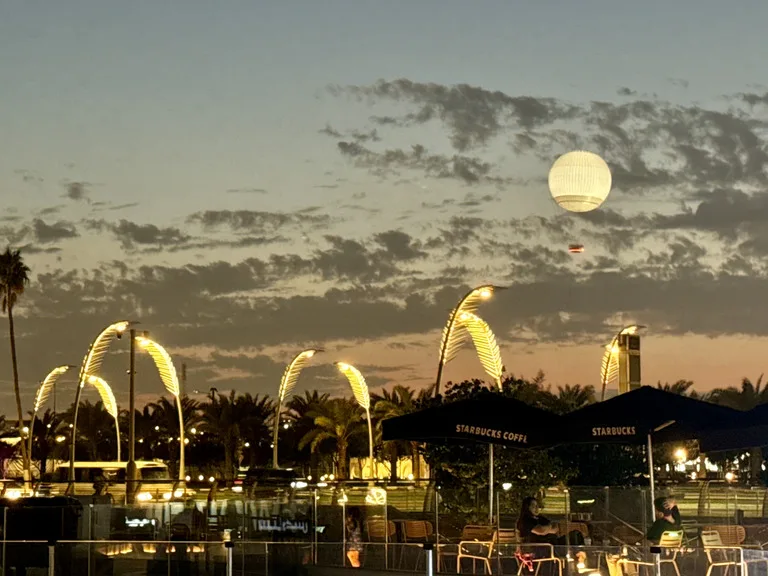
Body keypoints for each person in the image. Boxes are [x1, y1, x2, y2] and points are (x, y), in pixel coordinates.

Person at [517, 496, 585, 546]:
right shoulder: (525, 521)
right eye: (534, 506)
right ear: (527, 508)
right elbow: (541, 530)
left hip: (552, 543)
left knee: (577, 534)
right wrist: (548, 528)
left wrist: (546, 529)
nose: (537, 508)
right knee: (573, 539)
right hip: (539, 546)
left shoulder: (540, 518)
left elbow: (555, 528)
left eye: (537, 506)